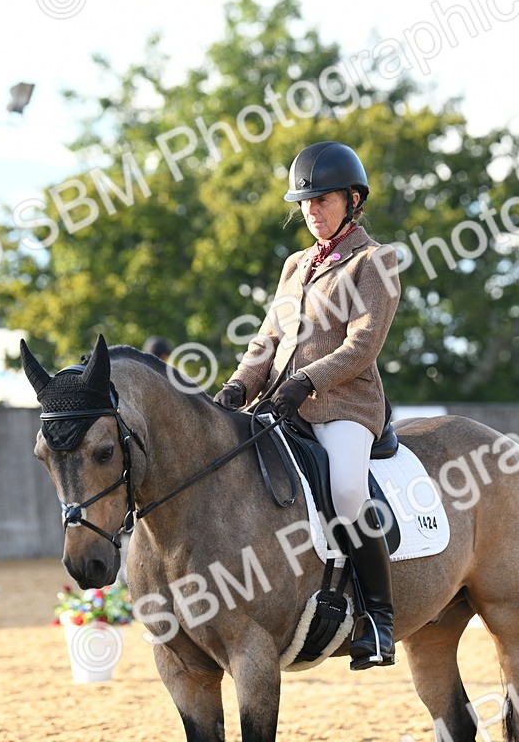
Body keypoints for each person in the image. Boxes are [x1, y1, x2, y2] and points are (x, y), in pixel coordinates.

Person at [214, 140, 401, 670]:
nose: (311, 211)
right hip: (280, 405)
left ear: (352, 200)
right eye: (305, 203)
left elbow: (362, 344)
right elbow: (268, 340)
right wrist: (237, 388)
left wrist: (306, 382)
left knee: (345, 487)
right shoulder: (296, 265)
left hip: (344, 406)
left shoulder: (375, 261)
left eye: (323, 200)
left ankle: (379, 621)